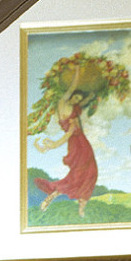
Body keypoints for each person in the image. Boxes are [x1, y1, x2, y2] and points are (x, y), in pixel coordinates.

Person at [31, 89, 98, 219]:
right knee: (78, 177)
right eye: (75, 98)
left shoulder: (74, 111)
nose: (76, 101)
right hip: (78, 147)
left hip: (84, 145)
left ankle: (81, 208)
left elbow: (83, 102)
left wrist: (90, 96)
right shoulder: (70, 120)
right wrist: (55, 144)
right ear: (71, 97)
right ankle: (53, 196)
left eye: (78, 100)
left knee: (91, 173)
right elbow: (68, 135)